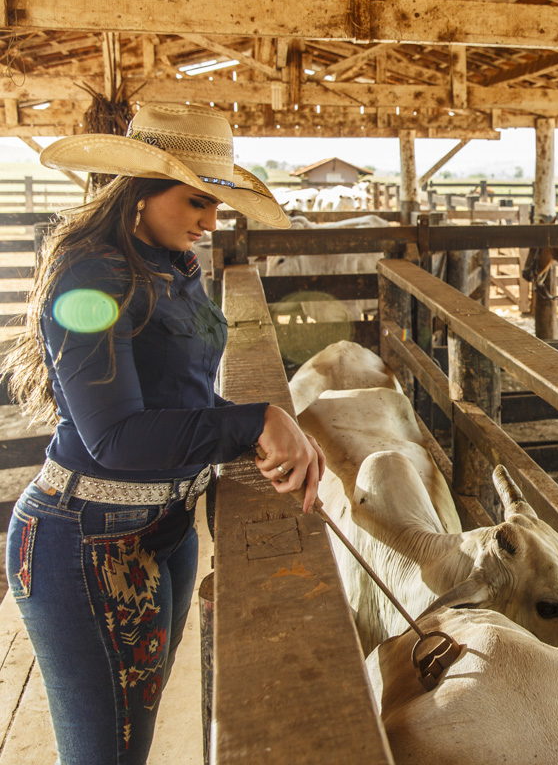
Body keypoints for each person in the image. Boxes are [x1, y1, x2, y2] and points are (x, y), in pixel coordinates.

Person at [3, 103, 325, 764]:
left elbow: (183, 395)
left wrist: (256, 431)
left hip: (166, 530)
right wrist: (257, 420)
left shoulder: (174, 269)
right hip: (86, 542)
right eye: (196, 201)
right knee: (106, 755)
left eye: (218, 204)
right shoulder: (89, 275)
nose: (211, 222)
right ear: (141, 191)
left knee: (132, 738)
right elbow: (115, 437)